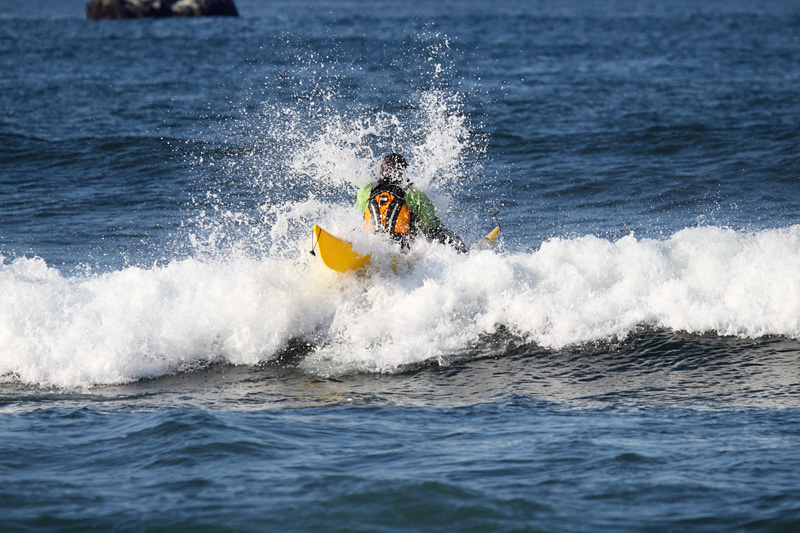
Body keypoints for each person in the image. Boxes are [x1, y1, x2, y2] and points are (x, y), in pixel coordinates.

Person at [356, 153, 467, 252]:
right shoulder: (414, 194)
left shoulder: (365, 191)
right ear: (402, 173)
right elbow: (430, 225)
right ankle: (464, 251)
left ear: (381, 170)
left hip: (373, 247)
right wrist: (457, 243)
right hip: (402, 251)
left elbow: (362, 215)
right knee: (434, 231)